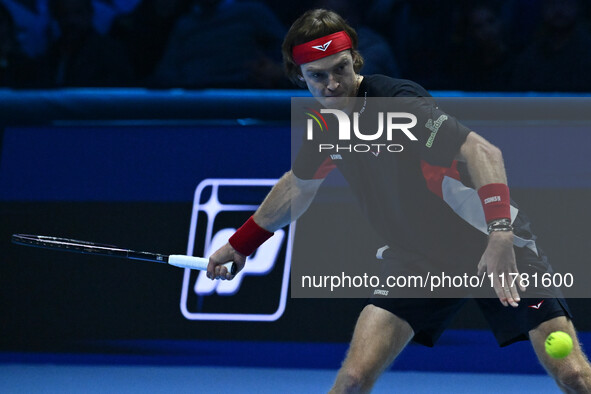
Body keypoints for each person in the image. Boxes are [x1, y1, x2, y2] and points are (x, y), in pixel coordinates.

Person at [206, 8, 591, 393]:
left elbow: (483, 151)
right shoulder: (324, 128)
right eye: (317, 76)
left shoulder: (398, 103)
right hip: (418, 260)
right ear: (299, 75)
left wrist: (501, 235)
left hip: (489, 242)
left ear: (355, 59)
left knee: (573, 375)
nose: (332, 85)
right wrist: (240, 244)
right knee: (353, 381)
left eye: (339, 69)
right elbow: (297, 188)